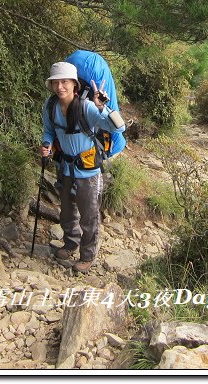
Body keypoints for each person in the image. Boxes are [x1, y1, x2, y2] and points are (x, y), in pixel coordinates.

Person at [40, 61, 126, 273]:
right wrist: (47, 144)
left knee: (89, 216)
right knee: (67, 212)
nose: (60, 86)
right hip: (65, 167)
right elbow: (49, 131)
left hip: (88, 171)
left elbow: (119, 127)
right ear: (51, 86)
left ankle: (87, 256)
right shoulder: (50, 107)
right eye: (56, 82)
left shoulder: (87, 107)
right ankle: (71, 244)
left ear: (74, 84)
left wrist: (102, 107)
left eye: (65, 82)